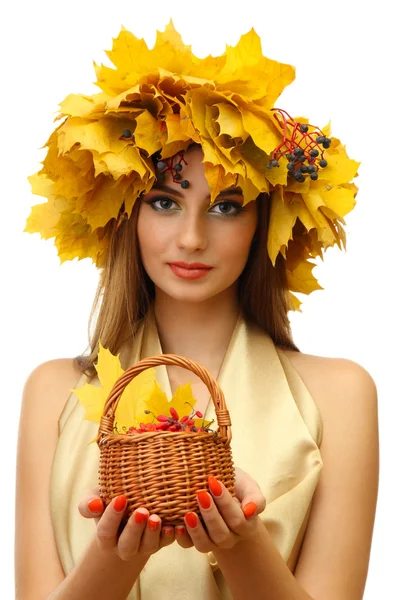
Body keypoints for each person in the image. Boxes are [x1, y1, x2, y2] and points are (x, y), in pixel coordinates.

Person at [15, 21, 379, 600]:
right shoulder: (53, 392)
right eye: (164, 201)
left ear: (264, 224)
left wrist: (242, 543)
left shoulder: (341, 395)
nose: (190, 238)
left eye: (227, 207)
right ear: (126, 214)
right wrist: (113, 558)